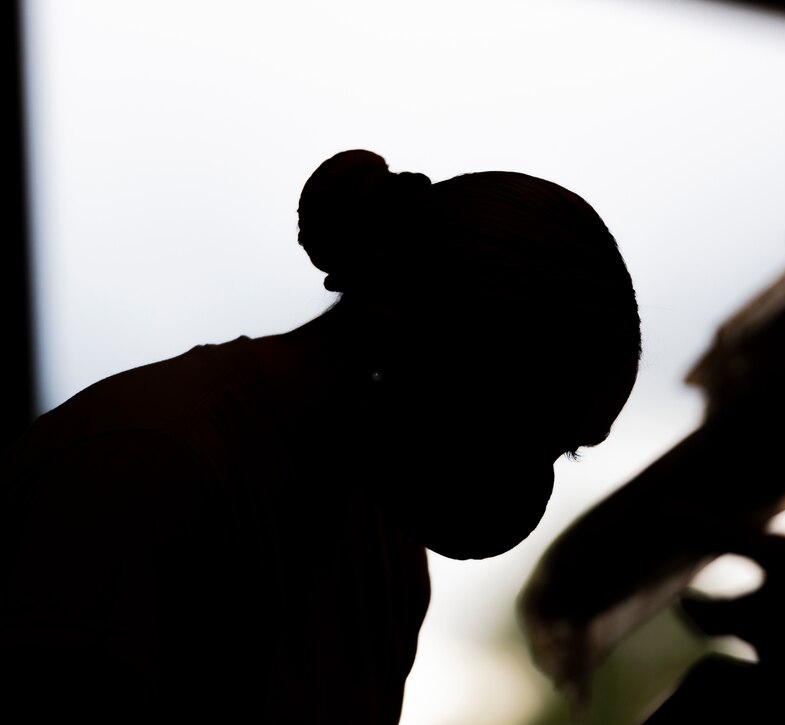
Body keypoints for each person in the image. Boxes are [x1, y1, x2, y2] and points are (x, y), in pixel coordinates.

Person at [0, 149, 642, 723]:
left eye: (563, 450)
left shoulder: (382, 534)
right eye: (525, 433)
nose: (530, 484)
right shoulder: (143, 473)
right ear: (405, 339)